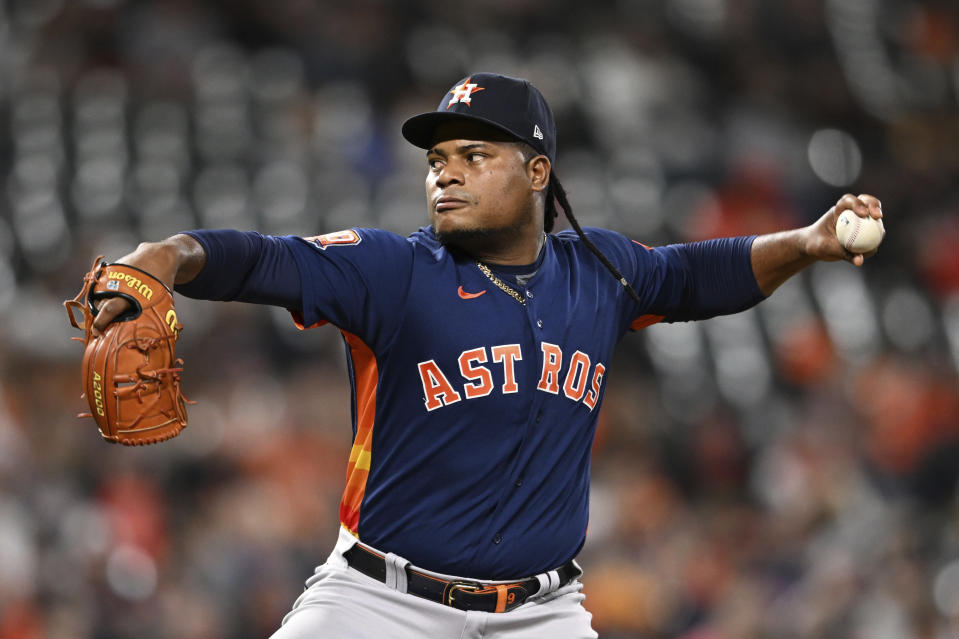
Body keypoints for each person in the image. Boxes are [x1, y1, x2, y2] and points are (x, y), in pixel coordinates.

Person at [88, 73, 883, 638]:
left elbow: (697, 273)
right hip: (380, 604)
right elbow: (263, 259)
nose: (446, 175)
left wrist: (806, 244)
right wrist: (168, 253)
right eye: (438, 160)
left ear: (538, 172)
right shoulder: (391, 271)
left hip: (542, 613)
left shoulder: (598, 271)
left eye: (474, 155)